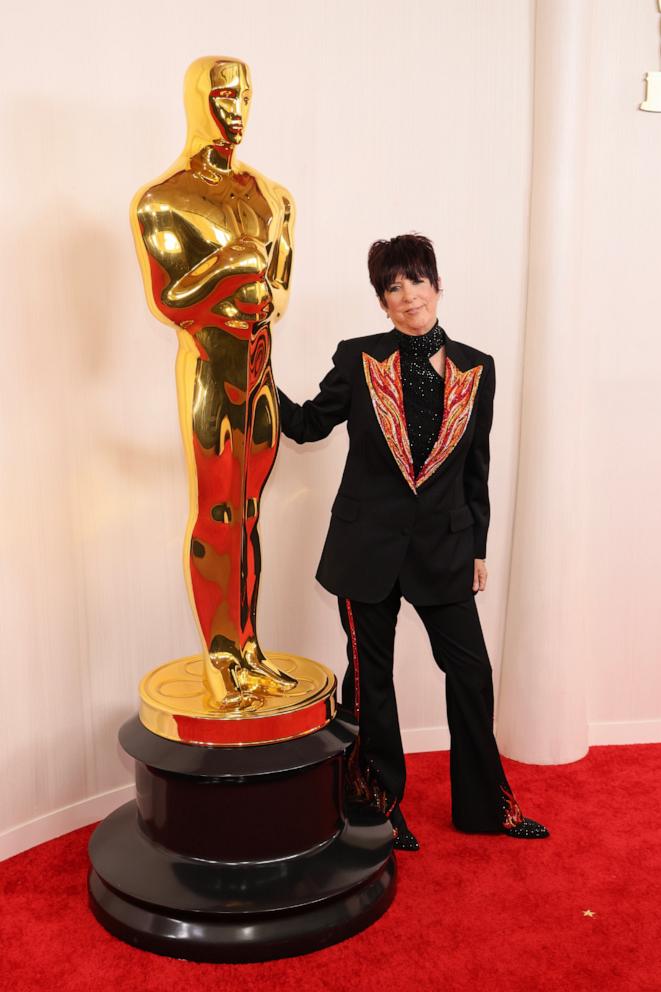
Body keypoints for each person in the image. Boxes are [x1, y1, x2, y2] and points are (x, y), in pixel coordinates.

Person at [277, 233, 549, 850]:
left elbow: (475, 468)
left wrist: (477, 548)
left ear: (437, 284)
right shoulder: (359, 359)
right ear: (382, 302)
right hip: (364, 549)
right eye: (392, 288)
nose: (407, 296)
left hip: (444, 551)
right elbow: (309, 425)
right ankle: (377, 804)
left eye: (416, 281)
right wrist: (253, 379)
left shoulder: (478, 368)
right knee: (370, 680)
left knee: (472, 672)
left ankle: (485, 807)